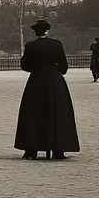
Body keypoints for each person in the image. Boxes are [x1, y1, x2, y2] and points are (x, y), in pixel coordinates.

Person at [14, 19, 80, 161]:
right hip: (55, 81)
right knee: (57, 113)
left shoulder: (31, 46)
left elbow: (25, 65)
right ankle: (58, 150)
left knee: (33, 114)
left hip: (36, 81)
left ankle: (31, 150)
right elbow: (64, 67)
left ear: (35, 32)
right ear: (47, 31)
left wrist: (37, 69)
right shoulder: (57, 44)